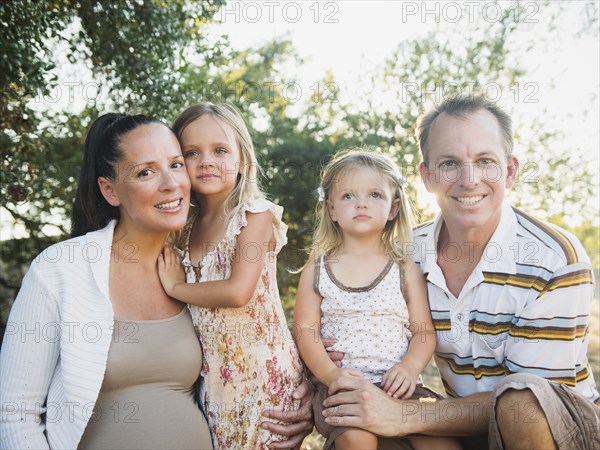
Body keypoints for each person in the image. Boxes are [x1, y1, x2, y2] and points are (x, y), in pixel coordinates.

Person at [320, 96, 600, 449]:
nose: (469, 180)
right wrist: (329, 367)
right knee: (362, 436)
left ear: (510, 171)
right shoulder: (404, 254)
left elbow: (531, 402)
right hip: (459, 429)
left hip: (556, 432)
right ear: (427, 177)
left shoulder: (554, 259)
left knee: (519, 403)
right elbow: (349, 322)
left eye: (485, 161)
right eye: (450, 163)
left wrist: (402, 416)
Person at [0, 113, 214, 449]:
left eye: (175, 164)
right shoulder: (60, 269)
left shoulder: (198, 270)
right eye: (146, 172)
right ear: (110, 190)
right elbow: (16, 416)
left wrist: (292, 401)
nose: (171, 184)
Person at [158, 102, 306, 449]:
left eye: (220, 150)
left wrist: (176, 287)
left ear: (243, 160)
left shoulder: (255, 215)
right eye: (191, 153)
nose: (206, 161)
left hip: (263, 375)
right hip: (213, 378)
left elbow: (238, 290)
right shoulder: (183, 228)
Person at [294, 148, 462, 450]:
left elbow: (424, 331)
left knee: (443, 444)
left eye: (375, 195)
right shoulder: (317, 269)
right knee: (358, 441)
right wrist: (331, 376)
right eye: (347, 196)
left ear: (393, 208)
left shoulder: (404, 268)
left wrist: (410, 368)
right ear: (331, 209)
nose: (361, 203)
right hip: (344, 390)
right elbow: (305, 332)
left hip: (399, 388)